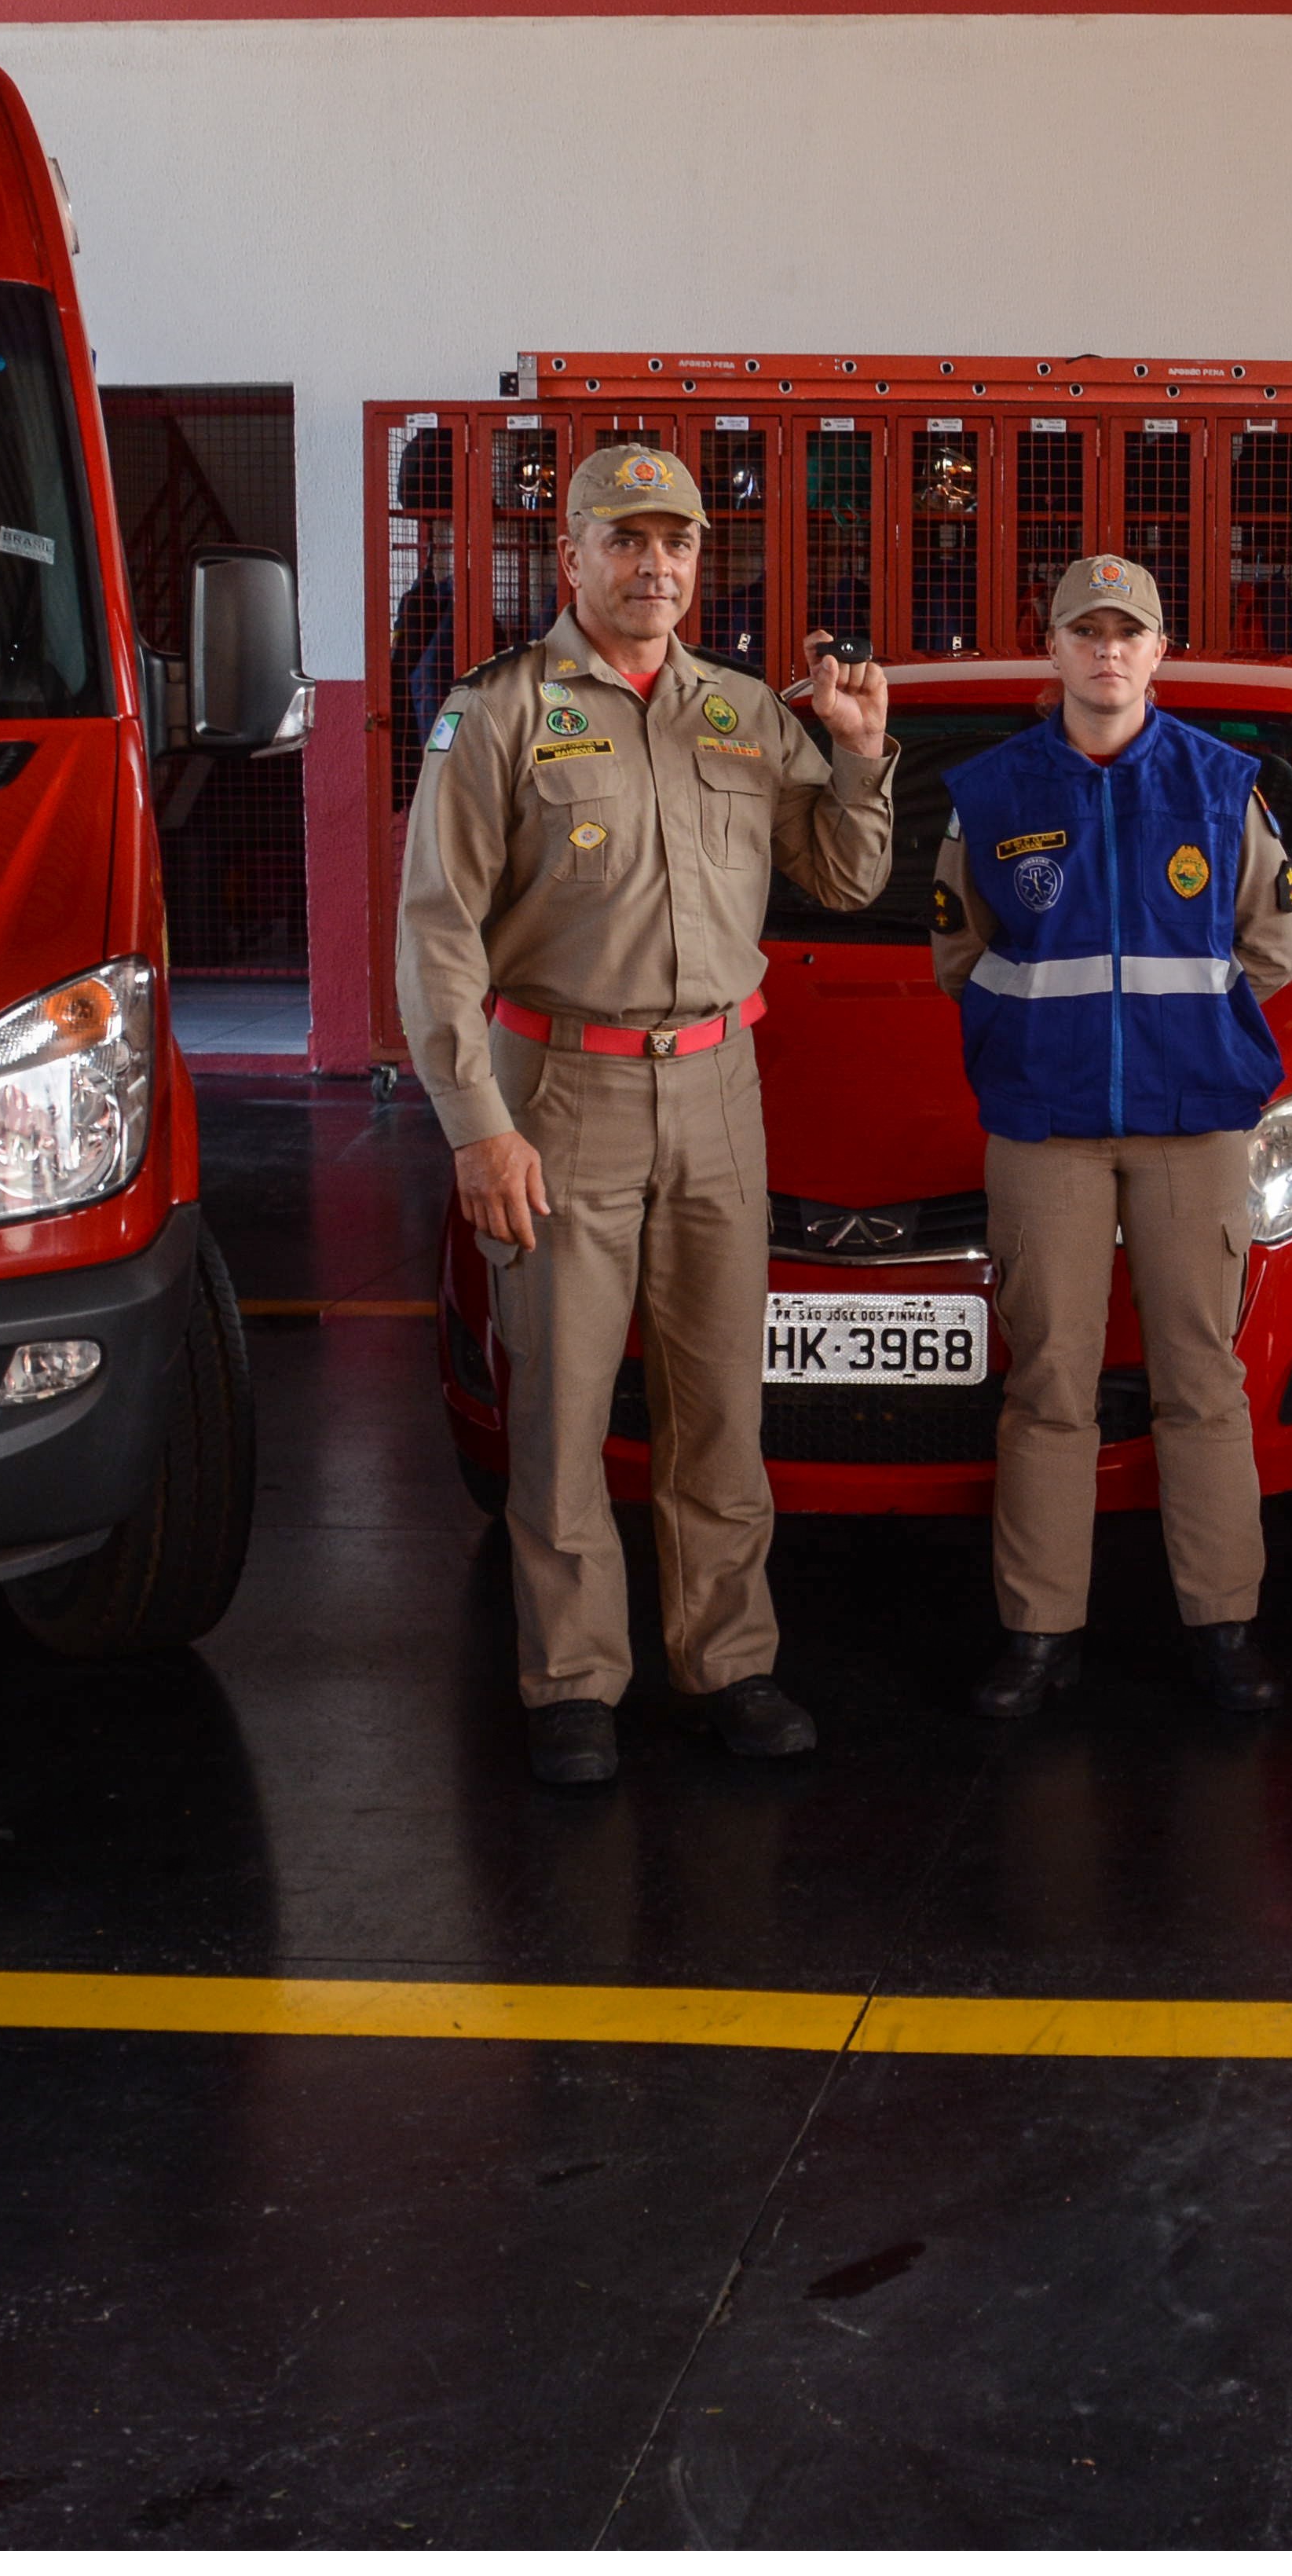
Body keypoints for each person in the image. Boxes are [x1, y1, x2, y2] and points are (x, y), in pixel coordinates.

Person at [398, 442, 898, 1786]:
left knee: (720, 1404)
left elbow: (845, 882)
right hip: (560, 1093)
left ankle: (728, 1660)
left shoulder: (739, 712)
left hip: (721, 1092)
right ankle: (572, 1682)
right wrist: (475, 1124)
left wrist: (858, 758)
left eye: (674, 543)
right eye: (625, 541)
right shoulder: (497, 712)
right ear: (572, 558)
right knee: (562, 1405)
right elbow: (438, 933)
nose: (654, 566)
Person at [933, 551, 1292, 1720]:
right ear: (1051, 650)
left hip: (1193, 1123)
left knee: (1202, 1378)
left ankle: (1224, 1628)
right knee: (1048, 1383)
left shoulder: (1220, 783)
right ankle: (1040, 1633)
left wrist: (1187, 1042)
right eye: (1083, 632)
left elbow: (1271, 949)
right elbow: (960, 954)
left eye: (1126, 634)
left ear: (1158, 652)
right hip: (1045, 1127)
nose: (1105, 652)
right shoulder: (990, 793)